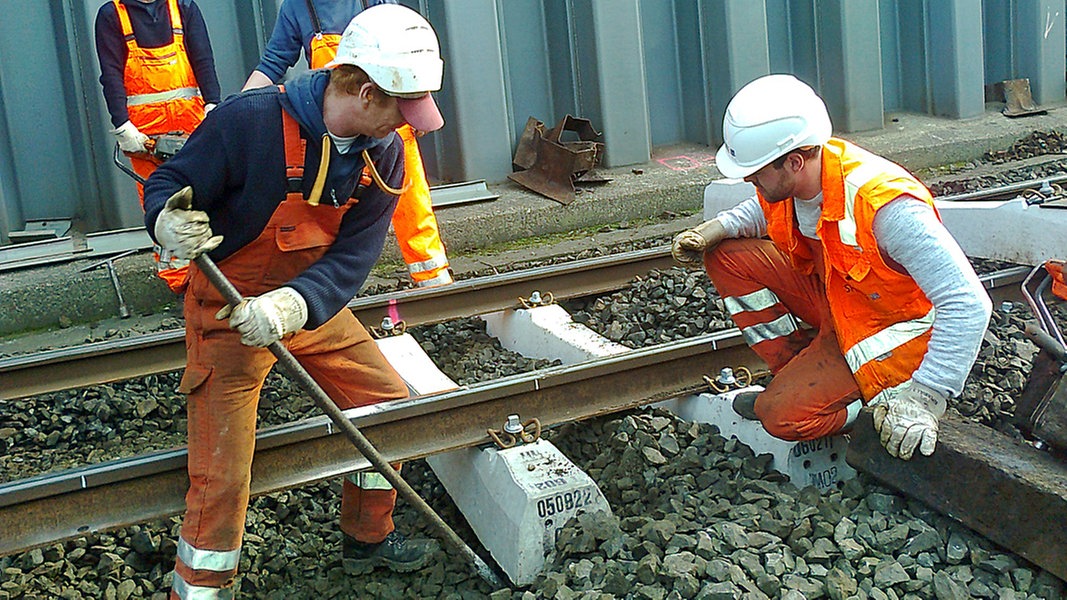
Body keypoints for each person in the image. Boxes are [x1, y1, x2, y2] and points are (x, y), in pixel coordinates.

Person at [142, 5, 442, 596]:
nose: (405, 126)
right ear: (359, 90)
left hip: (303, 306)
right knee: (223, 471)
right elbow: (165, 183)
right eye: (398, 110)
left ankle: (367, 540)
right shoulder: (248, 123)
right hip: (229, 311)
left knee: (383, 402)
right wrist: (166, 224)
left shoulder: (384, 153)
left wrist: (290, 307)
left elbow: (352, 259)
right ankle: (198, 587)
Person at [672, 74, 992, 461]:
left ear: (793, 162)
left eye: (756, 172)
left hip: (885, 332)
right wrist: (715, 229)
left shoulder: (887, 209)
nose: (748, 179)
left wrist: (926, 396)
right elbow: (766, 205)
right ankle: (798, 370)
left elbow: (969, 302)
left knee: (779, 417)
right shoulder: (806, 174)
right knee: (726, 255)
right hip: (838, 303)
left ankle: (868, 404)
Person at [241, 0, 453, 288]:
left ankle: (433, 280)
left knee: (412, 201)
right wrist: (237, 107)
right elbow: (273, 63)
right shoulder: (298, 7)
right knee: (332, 210)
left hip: (391, 119)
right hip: (339, 132)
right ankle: (327, 288)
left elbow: (408, 54)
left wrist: (415, 107)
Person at [94, 0, 221, 294]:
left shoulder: (183, 7)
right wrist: (123, 125)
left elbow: (203, 60)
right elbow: (111, 74)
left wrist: (213, 105)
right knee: (165, 211)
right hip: (146, 139)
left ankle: (217, 283)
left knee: (209, 201)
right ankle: (184, 289)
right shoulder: (113, 15)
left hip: (192, 129)